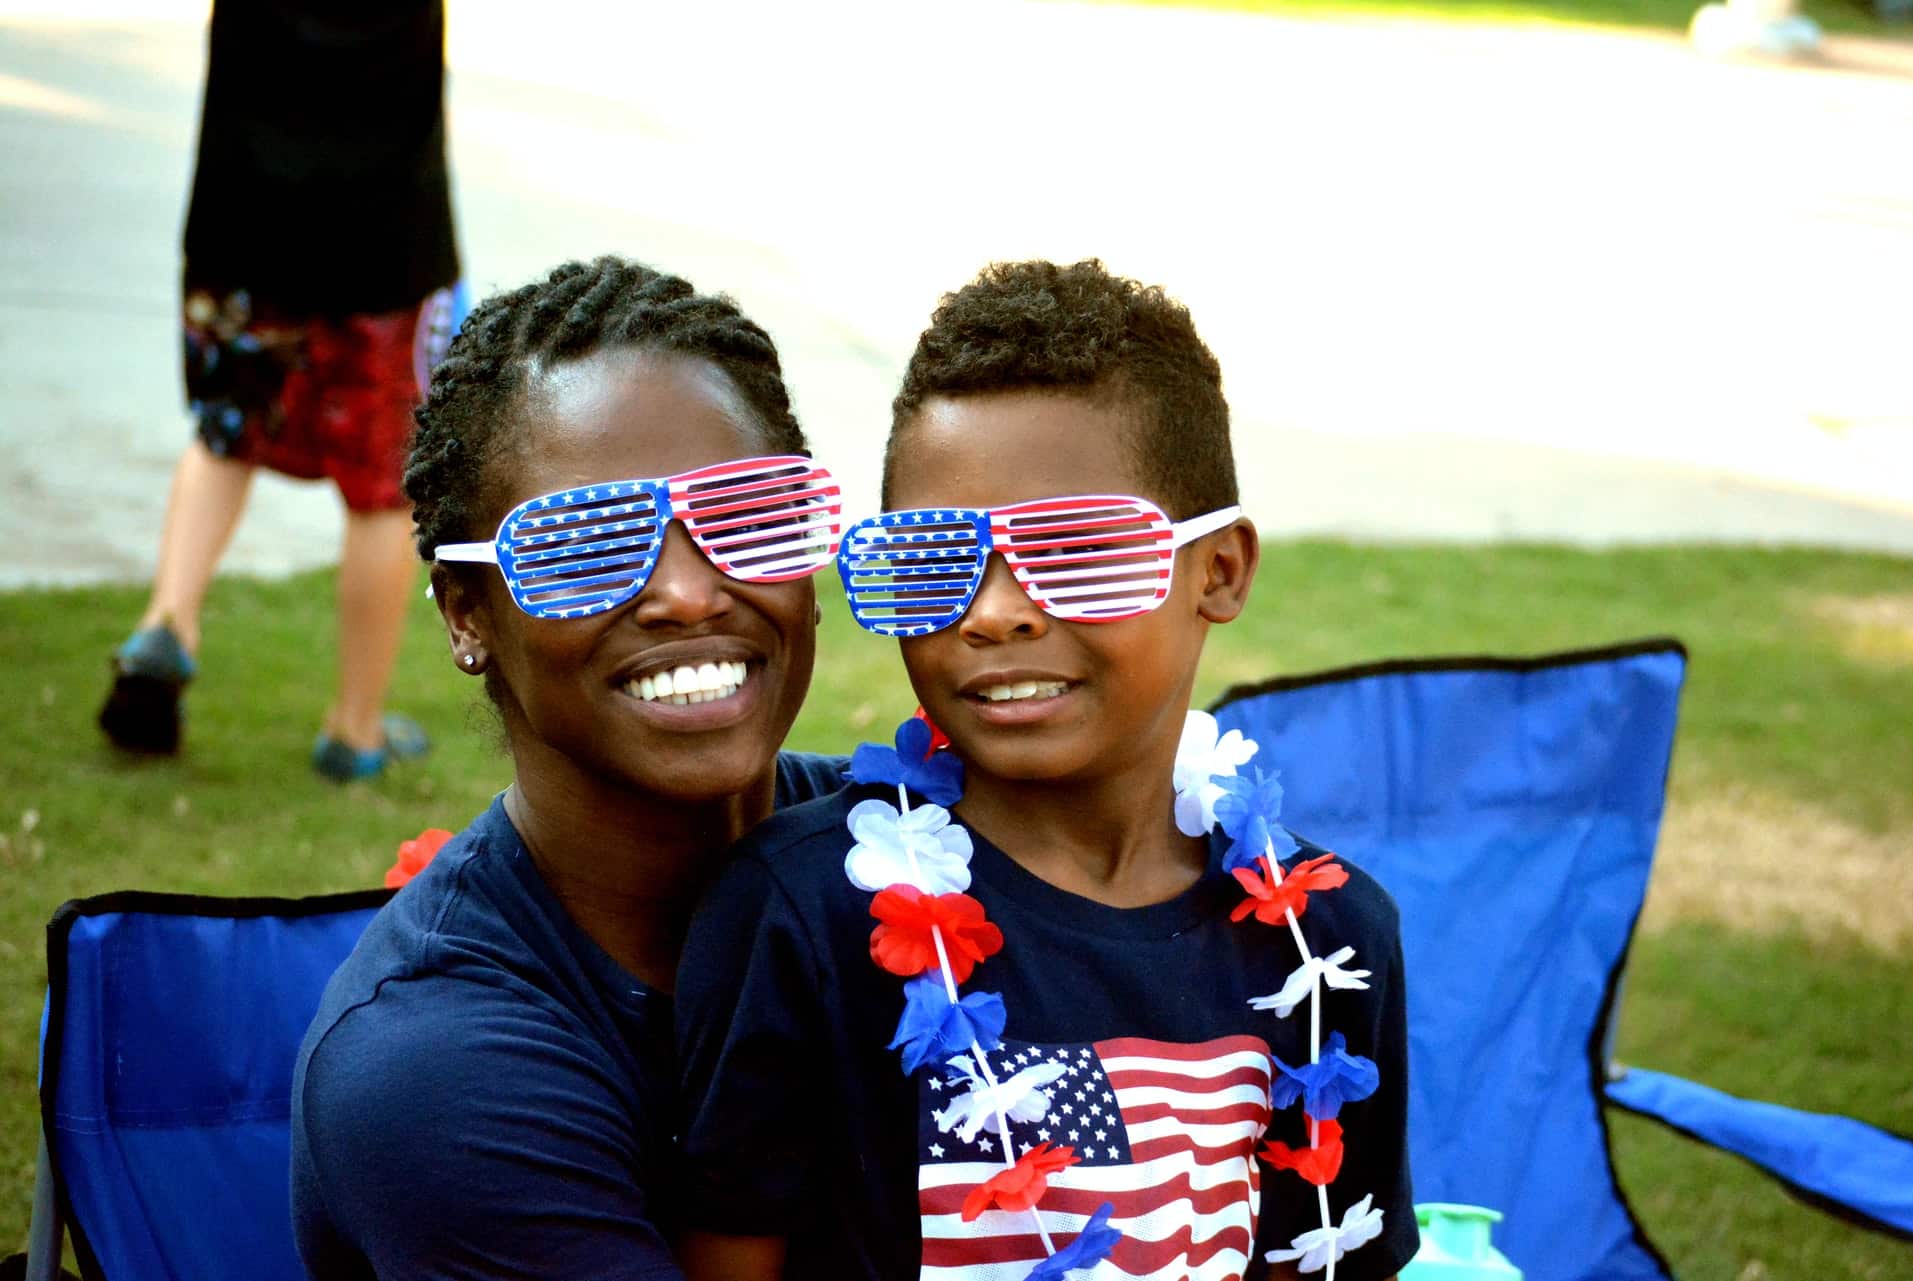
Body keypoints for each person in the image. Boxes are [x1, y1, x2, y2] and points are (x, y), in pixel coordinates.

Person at [675, 260, 1417, 1280]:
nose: (992, 609)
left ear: (1221, 570)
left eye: (1079, 551)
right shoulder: (803, 918)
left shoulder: (1324, 941)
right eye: (932, 556)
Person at [290, 257, 848, 1279]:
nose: (688, 592)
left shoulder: (916, 847)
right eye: (587, 544)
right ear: (469, 615)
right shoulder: (433, 1076)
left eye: (747, 514)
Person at [98, 0, 463, 780]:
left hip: (242, 227)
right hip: (384, 248)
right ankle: (354, 729)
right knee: (382, 492)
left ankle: (168, 624)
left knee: (225, 434)